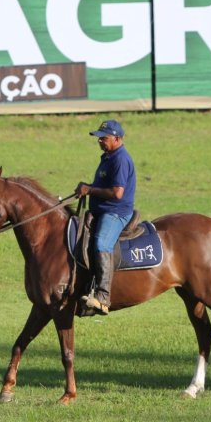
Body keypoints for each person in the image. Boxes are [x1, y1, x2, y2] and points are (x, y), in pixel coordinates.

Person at [74, 119, 136, 315]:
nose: (99, 140)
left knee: (102, 244)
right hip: (102, 210)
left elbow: (117, 193)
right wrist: (87, 188)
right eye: (99, 137)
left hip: (116, 212)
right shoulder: (108, 157)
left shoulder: (120, 159)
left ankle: (102, 297)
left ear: (117, 139)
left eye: (104, 138)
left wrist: (90, 190)